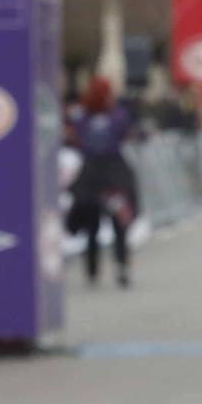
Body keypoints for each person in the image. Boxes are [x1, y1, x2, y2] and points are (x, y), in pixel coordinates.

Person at [65, 77, 140, 289]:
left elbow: (75, 137)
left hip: (91, 176)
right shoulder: (118, 115)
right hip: (114, 175)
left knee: (92, 226)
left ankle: (92, 271)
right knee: (119, 224)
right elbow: (125, 134)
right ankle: (122, 266)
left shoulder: (81, 116)